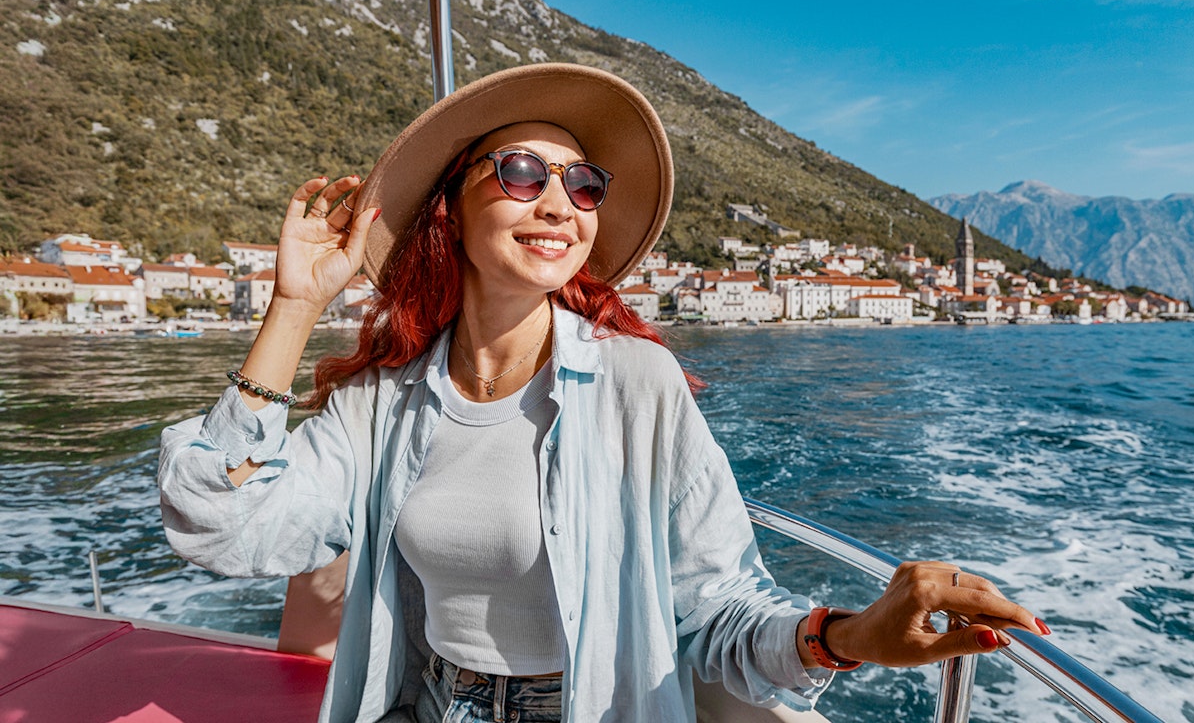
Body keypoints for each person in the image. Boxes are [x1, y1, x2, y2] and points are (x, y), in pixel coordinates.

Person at [158, 63, 1048, 723]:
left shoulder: (636, 381)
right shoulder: (382, 404)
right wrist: (293, 306)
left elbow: (719, 607)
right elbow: (221, 530)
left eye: (584, 184)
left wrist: (850, 636)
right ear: (450, 213)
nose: (560, 201)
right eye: (520, 174)